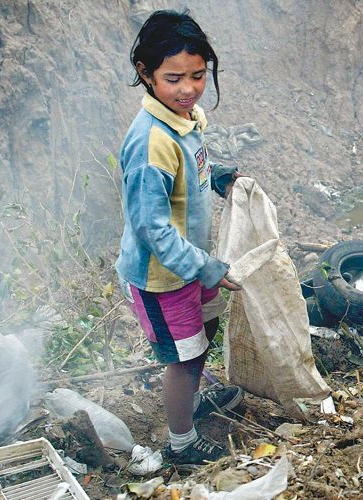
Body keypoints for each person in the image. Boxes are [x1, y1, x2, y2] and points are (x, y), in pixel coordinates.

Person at [116, 10, 245, 465]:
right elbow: (151, 227)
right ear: (145, 73)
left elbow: (188, 172)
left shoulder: (185, 118)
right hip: (164, 277)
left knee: (204, 334)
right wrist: (205, 267)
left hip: (192, 263)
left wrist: (218, 176)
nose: (188, 88)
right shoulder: (151, 142)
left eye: (198, 75)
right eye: (173, 78)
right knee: (184, 357)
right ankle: (181, 442)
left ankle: (189, 402)